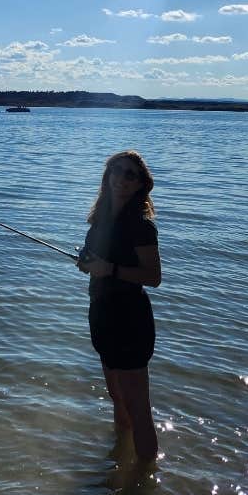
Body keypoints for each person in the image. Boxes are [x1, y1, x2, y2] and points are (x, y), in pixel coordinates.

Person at [77, 150, 161, 461]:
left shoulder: (140, 226)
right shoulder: (100, 220)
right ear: (107, 175)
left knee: (138, 407)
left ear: (140, 184)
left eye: (129, 174)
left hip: (130, 320)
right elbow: (97, 261)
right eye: (116, 170)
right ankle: (120, 460)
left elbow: (153, 277)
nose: (121, 178)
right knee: (116, 396)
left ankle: (144, 478)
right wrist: (87, 263)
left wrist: (108, 269)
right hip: (101, 314)